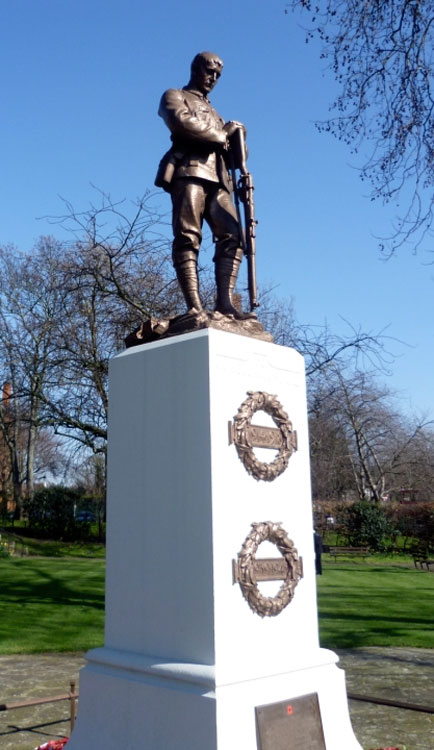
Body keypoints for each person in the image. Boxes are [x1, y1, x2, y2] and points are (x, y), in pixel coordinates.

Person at [156, 51, 252, 320]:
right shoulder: (175, 95)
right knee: (188, 236)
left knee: (234, 235)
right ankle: (194, 306)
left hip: (220, 180)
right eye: (209, 72)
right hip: (191, 171)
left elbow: (231, 154)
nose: (213, 78)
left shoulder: (216, 112)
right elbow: (181, 122)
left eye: (218, 76)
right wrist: (222, 134)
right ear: (195, 69)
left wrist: (238, 137)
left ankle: (225, 303)